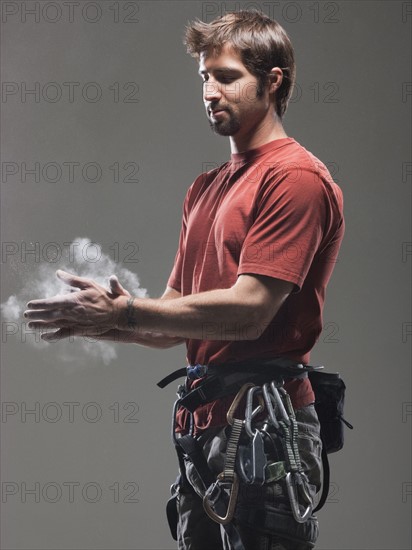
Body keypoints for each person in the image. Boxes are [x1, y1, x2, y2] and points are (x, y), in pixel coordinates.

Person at [24, 10, 345, 550]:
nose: (209, 91)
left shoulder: (295, 179)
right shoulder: (206, 188)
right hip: (206, 434)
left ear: (274, 80)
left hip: (267, 428)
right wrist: (101, 320)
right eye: (203, 77)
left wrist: (126, 312)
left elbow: (250, 311)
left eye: (226, 76)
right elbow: (174, 319)